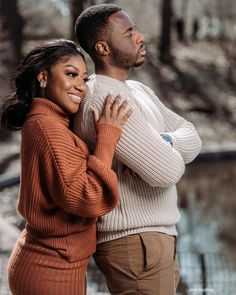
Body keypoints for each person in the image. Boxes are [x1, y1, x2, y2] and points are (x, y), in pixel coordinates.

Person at [74, 4, 202, 295]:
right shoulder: (104, 99)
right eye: (129, 32)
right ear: (103, 48)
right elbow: (166, 171)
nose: (140, 37)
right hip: (134, 243)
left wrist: (165, 143)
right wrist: (168, 148)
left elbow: (193, 137)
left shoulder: (138, 91)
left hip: (155, 240)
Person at [1, 39, 132, 295]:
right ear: (43, 77)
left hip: (54, 264)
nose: (80, 87)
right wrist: (107, 137)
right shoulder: (48, 128)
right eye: (71, 74)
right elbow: (87, 197)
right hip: (49, 270)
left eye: (84, 79)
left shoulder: (50, 121)